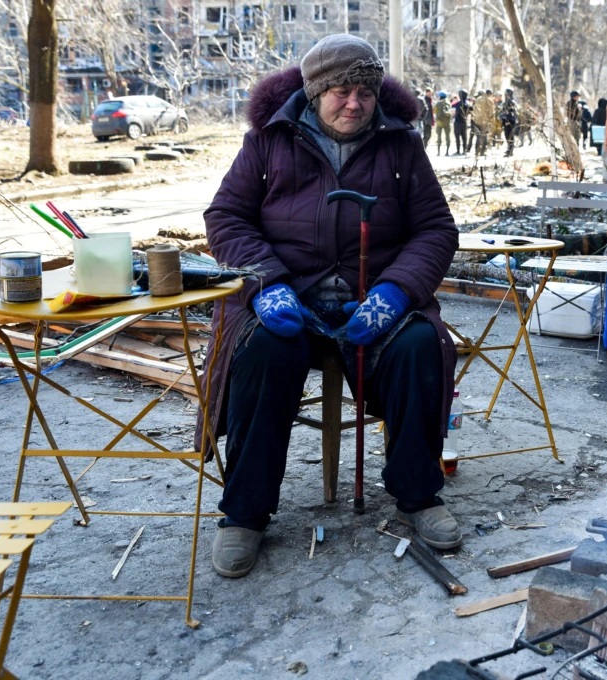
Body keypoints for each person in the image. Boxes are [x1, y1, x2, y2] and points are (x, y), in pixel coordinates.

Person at [199, 34, 462, 579]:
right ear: (314, 92)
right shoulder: (269, 141)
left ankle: (418, 495)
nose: (354, 103)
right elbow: (225, 218)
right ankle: (244, 513)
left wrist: (395, 293)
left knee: (419, 346)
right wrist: (266, 282)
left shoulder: (401, 145)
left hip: (374, 300)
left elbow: (436, 228)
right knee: (264, 354)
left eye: (365, 91)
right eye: (341, 91)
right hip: (288, 300)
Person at [499, 88, 518, 157]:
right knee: (507, 136)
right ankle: (509, 149)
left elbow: (512, 111)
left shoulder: (511, 101)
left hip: (510, 121)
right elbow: (502, 112)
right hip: (505, 121)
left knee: (510, 136)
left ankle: (510, 150)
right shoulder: (506, 102)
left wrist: (508, 120)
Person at [452, 88, 470, 155]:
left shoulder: (458, 104)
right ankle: (464, 150)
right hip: (464, 122)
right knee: (464, 137)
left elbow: (456, 112)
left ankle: (458, 150)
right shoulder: (467, 104)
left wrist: (453, 116)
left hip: (458, 122)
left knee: (457, 137)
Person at [433, 91, 452, 155]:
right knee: (447, 136)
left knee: (439, 136)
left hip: (439, 122)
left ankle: (438, 152)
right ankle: (447, 152)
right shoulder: (448, 103)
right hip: (447, 122)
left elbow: (435, 112)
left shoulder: (437, 103)